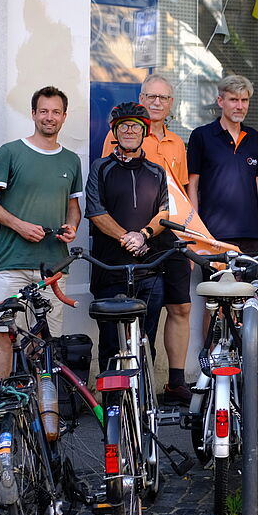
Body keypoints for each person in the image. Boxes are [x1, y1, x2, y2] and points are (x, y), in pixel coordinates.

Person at [0, 86, 82, 378]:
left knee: (46, 343)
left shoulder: (71, 160)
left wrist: (72, 226)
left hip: (53, 270)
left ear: (64, 116)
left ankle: (41, 403)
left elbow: (74, 207)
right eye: (43, 111)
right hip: (12, 264)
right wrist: (18, 225)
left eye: (56, 112)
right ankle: (3, 402)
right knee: (6, 336)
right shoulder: (11, 152)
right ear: (33, 114)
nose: (49, 117)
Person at [84, 103, 188, 398]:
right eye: (124, 126)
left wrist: (143, 235)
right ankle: (114, 408)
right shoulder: (100, 168)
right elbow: (96, 212)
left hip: (149, 271)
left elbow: (165, 213)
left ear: (144, 132)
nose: (129, 131)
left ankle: (143, 405)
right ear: (115, 132)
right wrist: (126, 237)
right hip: (110, 270)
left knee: (145, 341)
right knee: (110, 343)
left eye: (135, 126)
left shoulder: (156, 172)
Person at [187, 74, 258, 256]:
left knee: (254, 276)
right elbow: (192, 184)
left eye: (244, 100)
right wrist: (194, 227)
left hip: (252, 235)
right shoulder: (201, 136)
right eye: (233, 100)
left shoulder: (253, 137)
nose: (240, 106)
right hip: (214, 234)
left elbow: (256, 183)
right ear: (220, 101)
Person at [101, 74, 187, 189]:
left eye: (163, 98)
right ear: (141, 99)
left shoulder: (177, 143)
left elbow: (180, 187)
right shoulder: (122, 135)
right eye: (151, 96)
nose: (157, 103)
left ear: (171, 102)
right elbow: (104, 178)